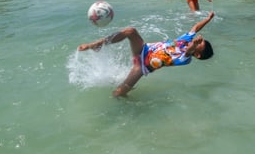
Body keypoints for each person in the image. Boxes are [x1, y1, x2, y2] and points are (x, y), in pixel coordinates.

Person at [77, 11, 216, 97]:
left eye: (199, 45)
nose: (197, 41)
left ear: (197, 55)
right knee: (131, 31)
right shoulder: (186, 40)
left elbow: (188, 51)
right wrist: (208, 19)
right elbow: (196, 27)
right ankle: (98, 44)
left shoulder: (186, 59)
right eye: (200, 41)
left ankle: (120, 101)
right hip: (143, 49)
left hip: (142, 66)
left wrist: (195, 45)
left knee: (118, 93)